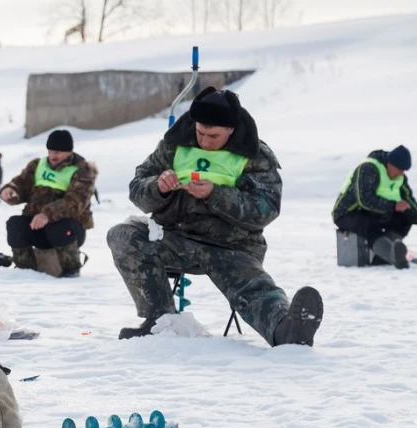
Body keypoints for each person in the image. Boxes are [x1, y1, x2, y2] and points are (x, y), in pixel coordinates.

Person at [106, 86, 323, 346]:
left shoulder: (255, 155)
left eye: (213, 135)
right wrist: (158, 186)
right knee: (123, 234)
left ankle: (286, 330)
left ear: (231, 130)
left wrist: (215, 194)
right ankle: (160, 321)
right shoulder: (173, 145)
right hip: (174, 238)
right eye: (200, 132)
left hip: (231, 246)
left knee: (253, 287)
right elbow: (137, 187)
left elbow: (266, 209)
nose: (205, 141)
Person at [0, 130, 97, 278]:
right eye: (50, 151)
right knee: (15, 224)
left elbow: (75, 203)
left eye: (57, 152)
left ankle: (71, 271)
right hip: (37, 226)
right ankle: (24, 270)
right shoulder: (38, 165)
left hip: (69, 231)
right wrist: (10, 191)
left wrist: (47, 214)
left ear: (69, 152)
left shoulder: (82, 171)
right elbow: (20, 185)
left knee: (61, 227)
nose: (53, 156)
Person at [333, 145, 416, 269]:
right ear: (389, 163)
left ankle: (383, 257)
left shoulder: (400, 178)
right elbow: (364, 200)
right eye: (399, 169)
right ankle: (392, 256)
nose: (401, 173)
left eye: (403, 170)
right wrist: (393, 206)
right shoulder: (368, 169)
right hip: (347, 213)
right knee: (369, 226)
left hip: (376, 212)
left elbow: (409, 200)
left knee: (405, 217)